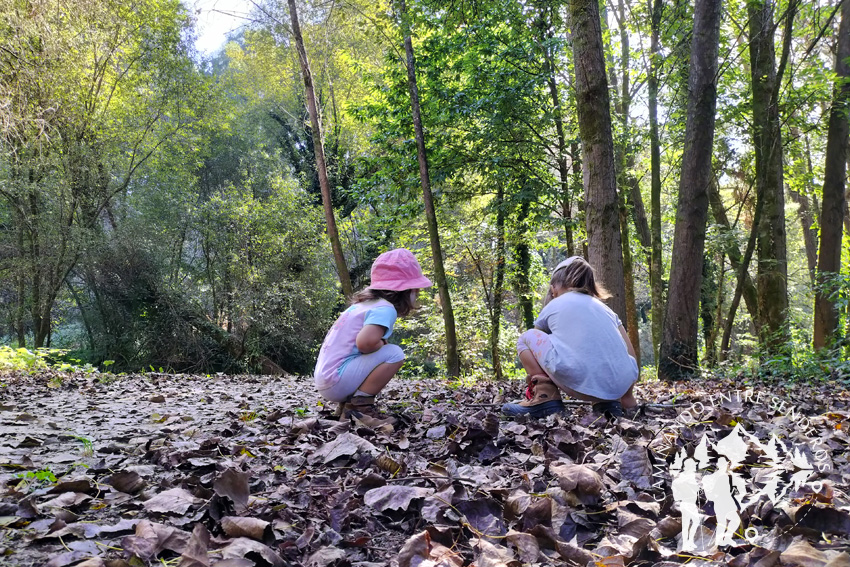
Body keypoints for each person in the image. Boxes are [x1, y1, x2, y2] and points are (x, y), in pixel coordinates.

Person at [501, 256, 639, 419]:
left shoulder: (553, 305)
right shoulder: (606, 310)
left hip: (576, 381)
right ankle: (610, 404)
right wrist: (626, 394)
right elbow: (630, 354)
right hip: (618, 387)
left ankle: (545, 398)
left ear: (554, 289)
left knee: (526, 338)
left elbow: (537, 342)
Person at [314, 248, 432, 419]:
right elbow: (365, 343)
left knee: (379, 353)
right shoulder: (385, 308)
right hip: (336, 380)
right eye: (417, 291)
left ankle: (346, 406)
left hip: (326, 378)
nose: (417, 296)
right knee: (394, 353)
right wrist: (383, 343)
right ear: (406, 291)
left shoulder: (362, 306)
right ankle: (360, 407)